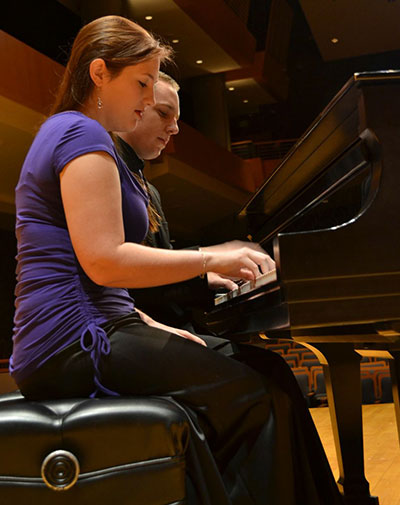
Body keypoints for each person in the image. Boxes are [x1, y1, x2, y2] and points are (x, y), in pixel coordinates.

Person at [10, 15, 344, 505]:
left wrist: (155, 327)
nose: (147, 100)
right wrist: (214, 257)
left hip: (94, 328)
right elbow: (106, 262)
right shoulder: (81, 135)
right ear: (99, 73)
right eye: (141, 83)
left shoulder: (77, 133)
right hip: (72, 342)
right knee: (251, 399)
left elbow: (96, 279)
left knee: (267, 371)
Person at [116, 71, 239, 333]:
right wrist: (210, 261)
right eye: (163, 113)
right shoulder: (109, 174)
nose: (175, 128)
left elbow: (161, 264)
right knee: (264, 368)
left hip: (159, 324)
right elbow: (131, 279)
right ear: (133, 108)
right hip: (135, 329)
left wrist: (205, 276)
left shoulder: (149, 188)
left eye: (176, 119)